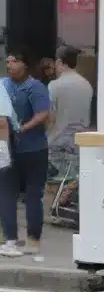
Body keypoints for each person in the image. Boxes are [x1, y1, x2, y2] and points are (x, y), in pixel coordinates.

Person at [0, 47, 52, 258]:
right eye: (8, 61)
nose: (9, 65)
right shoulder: (4, 85)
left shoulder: (35, 87)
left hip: (33, 148)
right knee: (6, 194)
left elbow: (43, 114)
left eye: (14, 61)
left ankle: (33, 239)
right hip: (10, 148)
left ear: (25, 65)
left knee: (32, 195)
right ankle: (9, 237)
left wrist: (24, 127)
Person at [48, 45, 94, 143]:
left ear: (59, 62)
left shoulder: (54, 85)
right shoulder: (86, 85)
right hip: (81, 142)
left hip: (59, 141)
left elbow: (50, 118)